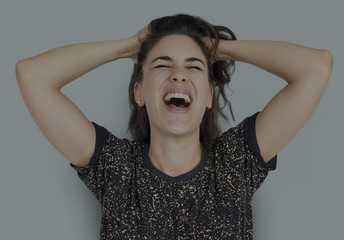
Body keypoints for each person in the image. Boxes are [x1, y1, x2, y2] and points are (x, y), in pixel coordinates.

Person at [16, 14, 332, 239]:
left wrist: (217, 49)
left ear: (209, 94)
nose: (178, 74)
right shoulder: (117, 169)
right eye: (163, 64)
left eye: (193, 66)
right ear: (139, 92)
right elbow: (32, 76)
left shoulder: (234, 163)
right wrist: (129, 46)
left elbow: (316, 68)